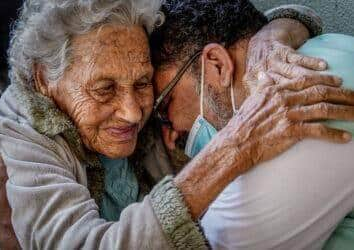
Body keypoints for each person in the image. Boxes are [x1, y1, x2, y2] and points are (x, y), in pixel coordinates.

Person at [0, 1, 353, 249]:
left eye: (143, 84)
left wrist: (278, 30)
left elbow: (218, 32)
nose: (132, 112)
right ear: (44, 79)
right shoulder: (16, 140)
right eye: (104, 89)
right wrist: (234, 149)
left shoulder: (136, 92)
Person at [150, 0, 354, 249]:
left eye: (165, 107)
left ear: (217, 64)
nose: (169, 138)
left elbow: (220, 241)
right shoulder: (329, 48)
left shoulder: (297, 108)